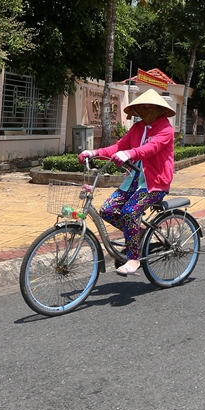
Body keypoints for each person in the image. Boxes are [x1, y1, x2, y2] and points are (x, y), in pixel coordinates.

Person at [79, 88, 176, 276]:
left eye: (149, 106)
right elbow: (119, 146)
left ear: (159, 109)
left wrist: (129, 153)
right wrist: (94, 153)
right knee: (107, 210)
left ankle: (133, 259)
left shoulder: (165, 129)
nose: (145, 109)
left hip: (154, 183)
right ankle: (137, 232)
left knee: (129, 212)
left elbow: (151, 148)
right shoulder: (137, 128)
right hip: (133, 180)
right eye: (142, 106)